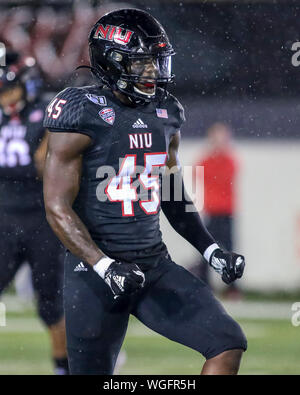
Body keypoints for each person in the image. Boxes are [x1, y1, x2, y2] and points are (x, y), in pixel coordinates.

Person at [43, 9, 247, 375]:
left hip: (153, 266)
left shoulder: (166, 112)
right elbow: (57, 206)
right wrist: (105, 266)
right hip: (94, 272)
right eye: (142, 63)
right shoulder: (79, 110)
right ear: (111, 61)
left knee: (227, 343)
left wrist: (211, 248)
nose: (153, 72)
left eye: (156, 61)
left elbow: (172, 194)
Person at [0, 51, 69, 375]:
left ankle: (64, 367)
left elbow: (50, 167)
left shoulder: (46, 112)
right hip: (4, 218)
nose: (5, 98)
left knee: (50, 304)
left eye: (8, 90)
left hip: (41, 219)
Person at [192, 122, 242, 298]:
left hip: (226, 212)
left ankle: (232, 287)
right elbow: (198, 174)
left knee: (229, 249)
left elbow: (227, 175)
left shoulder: (229, 160)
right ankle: (205, 284)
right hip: (212, 211)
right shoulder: (206, 160)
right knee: (207, 249)